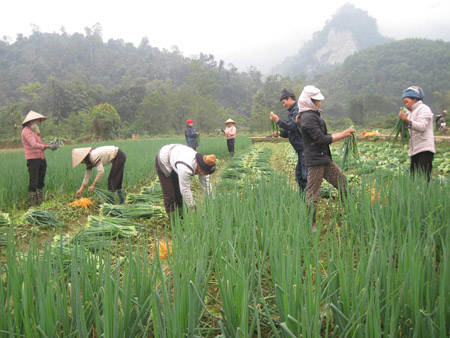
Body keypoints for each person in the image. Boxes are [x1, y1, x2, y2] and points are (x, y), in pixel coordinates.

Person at [298, 85, 355, 229]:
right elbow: (320, 138)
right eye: (317, 100)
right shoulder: (307, 117)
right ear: (309, 101)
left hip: (323, 157)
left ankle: (349, 210)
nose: (320, 103)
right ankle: (310, 223)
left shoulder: (313, 114)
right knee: (313, 192)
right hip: (316, 160)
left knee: (341, 180)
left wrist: (342, 134)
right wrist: (342, 134)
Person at [155, 144, 216, 215]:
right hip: (164, 159)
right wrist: (193, 206)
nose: (205, 175)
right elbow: (185, 189)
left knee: (178, 194)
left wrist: (212, 200)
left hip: (176, 157)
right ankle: (174, 221)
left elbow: (206, 185)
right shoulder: (185, 168)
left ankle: (182, 216)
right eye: (205, 173)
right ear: (200, 170)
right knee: (170, 195)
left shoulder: (204, 164)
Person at [269, 88, 308, 192]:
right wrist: (280, 133)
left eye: (283, 102)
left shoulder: (298, 110)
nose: (283, 105)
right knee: (299, 176)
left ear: (289, 98)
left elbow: (293, 126)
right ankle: (304, 199)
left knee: (305, 178)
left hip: (305, 149)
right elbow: (290, 131)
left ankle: (310, 202)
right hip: (300, 151)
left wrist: (278, 121)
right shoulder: (291, 112)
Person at [398, 86, 435, 181]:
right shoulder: (409, 113)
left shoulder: (424, 109)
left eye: (407, 101)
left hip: (424, 149)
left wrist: (406, 120)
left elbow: (421, 127)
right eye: (404, 103)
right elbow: (408, 132)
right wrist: (402, 128)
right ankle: (416, 195)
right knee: (413, 179)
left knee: (424, 179)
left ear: (415, 99)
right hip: (414, 150)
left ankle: (425, 195)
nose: (406, 105)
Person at [21, 110, 58, 206]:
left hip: (41, 158)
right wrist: (48, 146)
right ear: (32, 121)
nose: (39, 122)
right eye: (38, 121)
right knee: (33, 182)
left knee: (40, 182)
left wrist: (48, 145)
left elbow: (40, 144)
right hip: (33, 160)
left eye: (39, 121)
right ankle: (31, 204)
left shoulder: (36, 131)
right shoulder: (26, 131)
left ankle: (40, 203)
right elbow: (33, 144)